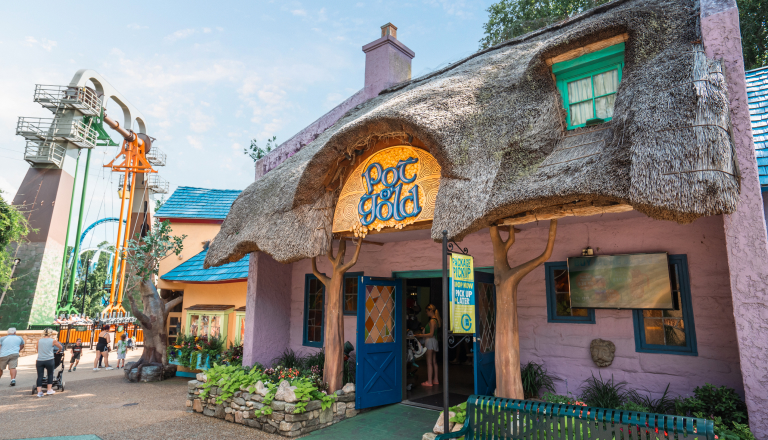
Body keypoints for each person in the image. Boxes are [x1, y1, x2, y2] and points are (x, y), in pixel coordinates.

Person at [415, 304, 441, 387]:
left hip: (430, 341)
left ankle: (429, 381)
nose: (426, 313)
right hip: (435, 341)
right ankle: (435, 379)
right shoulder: (436, 320)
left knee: (429, 363)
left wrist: (420, 335)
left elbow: (431, 334)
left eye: (427, 311)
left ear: (430, 311)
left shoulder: (432, 321)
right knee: (434, 362)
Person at [36, 328, 63, 397]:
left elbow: (37, 349)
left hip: (40, 360)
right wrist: (59, 351)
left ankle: (39, 392)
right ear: (50, 333)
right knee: (50, 374)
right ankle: (49, 390)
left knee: (40, 376)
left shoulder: (39, 341)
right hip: (49, 359)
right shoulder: (53, 341)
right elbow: (60, 347)